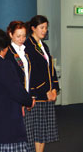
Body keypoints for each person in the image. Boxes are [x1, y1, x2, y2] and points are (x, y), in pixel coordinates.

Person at [24, 15, 60, 152]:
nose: (45, 30)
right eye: (42, 27)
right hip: (37, 95)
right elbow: (32, 73)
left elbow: (51, 68)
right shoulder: (28, 46)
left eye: (46, 27)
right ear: (33, 28)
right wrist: (45, 90)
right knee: (35, 130)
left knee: (43, 131)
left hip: (48, 94)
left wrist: (55, 88)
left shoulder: (43, 46)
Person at [5, 21, 35, 152]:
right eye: (18, 36)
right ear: (10, 34)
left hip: (25, 96)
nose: (22, 39)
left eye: (24, 36)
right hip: (15, 99)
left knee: (28, 135)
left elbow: (28, 75)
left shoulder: (25, 51)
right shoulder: (7, 53)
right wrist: (20, 100)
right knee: (16, 136)